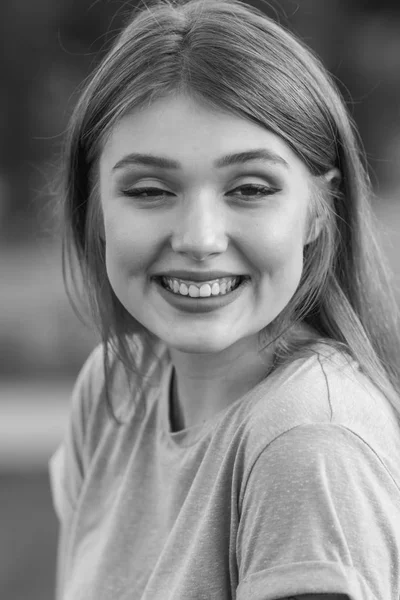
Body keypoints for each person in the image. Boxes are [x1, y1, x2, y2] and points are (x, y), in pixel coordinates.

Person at [49, 0, 400, 598]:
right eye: (152, 189)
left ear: (319, 211)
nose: (200, 239)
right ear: (96, 209)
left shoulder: (308, 444)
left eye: (249, 188)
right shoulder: (111, 389)